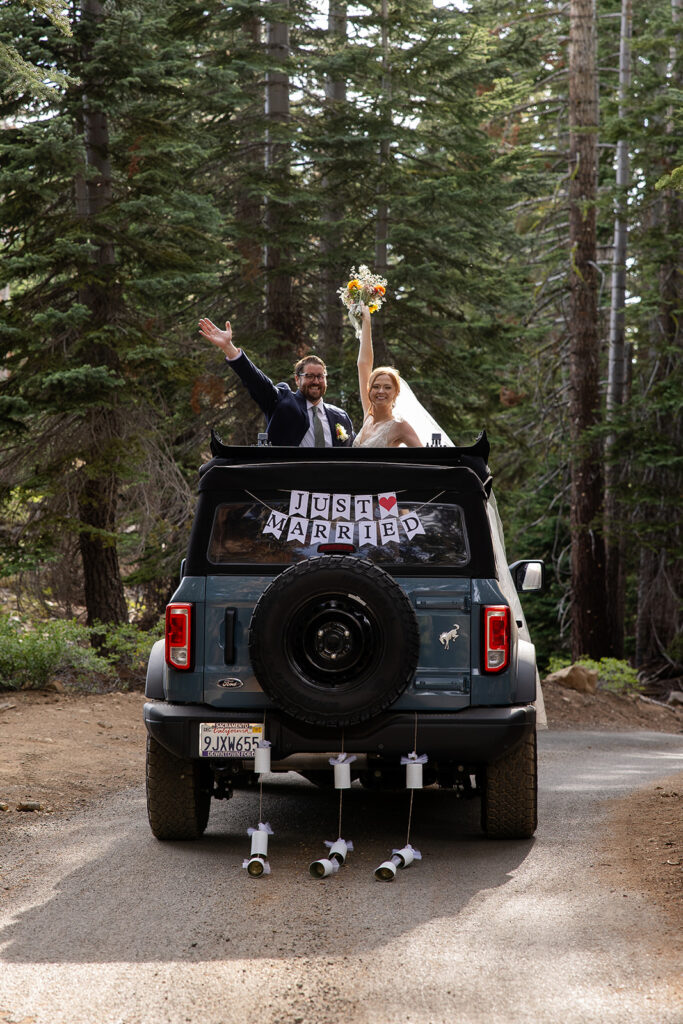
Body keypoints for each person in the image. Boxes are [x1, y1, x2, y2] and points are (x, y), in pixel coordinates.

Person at [198, 317, 354, 447]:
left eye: (320, 376)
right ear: (297, 379)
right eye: (310, 376)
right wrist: (228, 347)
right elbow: (256, 381)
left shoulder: (340, 416)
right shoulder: (283, 401)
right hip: (290, 481)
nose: (316, 381)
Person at [352, 304, 423, 448]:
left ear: (396, 392)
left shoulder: (400, 426)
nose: (380, 391)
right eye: (376, 386)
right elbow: (363, 364)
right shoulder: (368, 416)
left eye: (387, 387)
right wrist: (366, 321)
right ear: (369, 390)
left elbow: (425, 459)